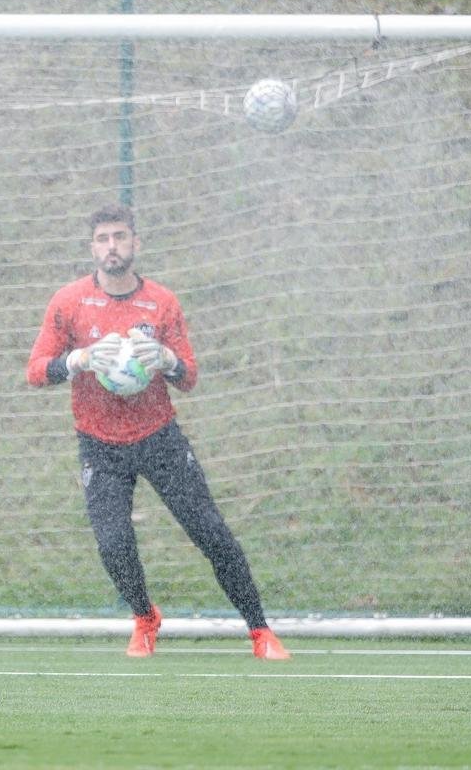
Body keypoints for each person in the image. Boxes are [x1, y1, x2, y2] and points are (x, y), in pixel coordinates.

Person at [25, 203, 290, 660]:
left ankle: (260, 631)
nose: (113, 247)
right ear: (93, 248)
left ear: (136, 243)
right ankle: (145, 617)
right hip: (99, 445)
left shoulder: (162, 303)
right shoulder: (68, 302)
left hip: (159, 438)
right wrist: (80, 359)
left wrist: (165, 360)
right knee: (113, 544)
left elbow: (188, 376)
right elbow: (34, 371)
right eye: (104, 238)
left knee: (211, 533)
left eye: (121, 237)